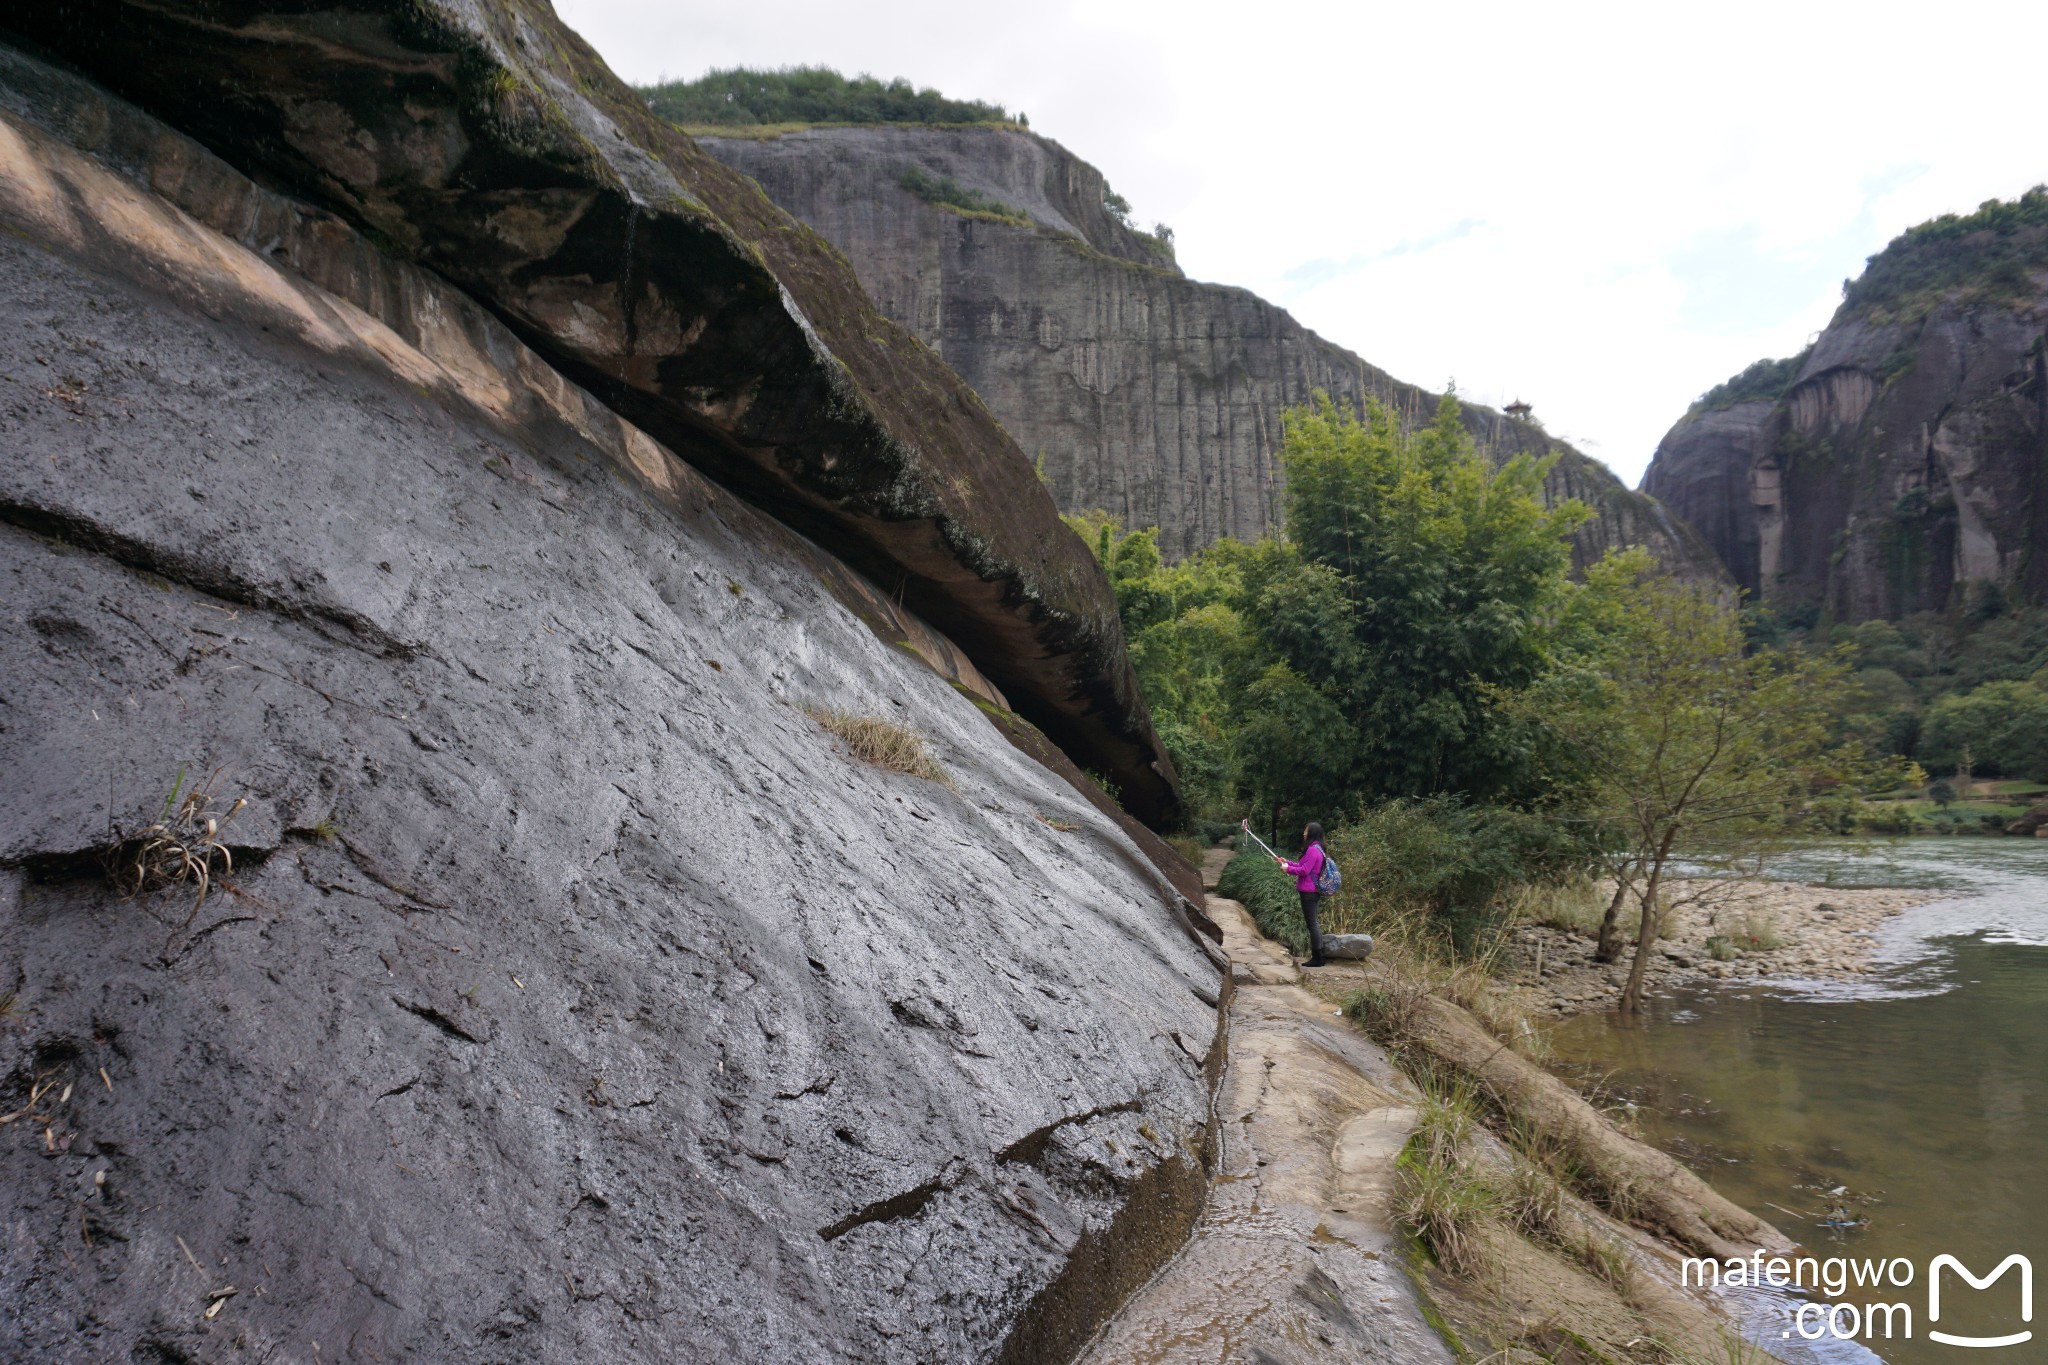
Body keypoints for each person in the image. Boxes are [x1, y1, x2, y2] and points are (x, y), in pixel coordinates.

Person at [1275, 823, 1328, 967]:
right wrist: (1288, 863)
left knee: (1312, 924)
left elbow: (1304, 871)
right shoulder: (1318, 849)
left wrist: (1288, 870)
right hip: (1312, 891)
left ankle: (1318, 957)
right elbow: (1303, 866)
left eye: (1306, 831)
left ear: (1311, 833)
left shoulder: (1312, 850)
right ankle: (1319, 956)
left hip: (1309, 891)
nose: (1303, 833)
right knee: (1313, 923)